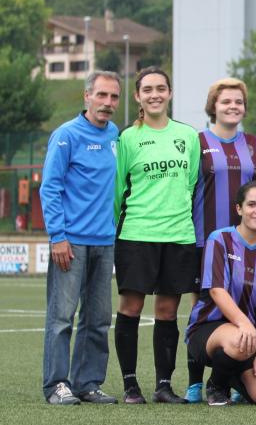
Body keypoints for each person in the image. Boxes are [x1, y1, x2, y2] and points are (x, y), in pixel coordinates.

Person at [113, 67, 200, 404]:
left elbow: (190, 184)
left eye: (160, 88)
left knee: (166, 311)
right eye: (147, 89)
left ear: (170, 93)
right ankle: (130, 385)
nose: (154, 95)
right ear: (137, 96)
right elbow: (118, 189)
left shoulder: (187, 136)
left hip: (178, 235)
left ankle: (164, 386)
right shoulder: (128, 138)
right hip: (137, 233)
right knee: (131, 308)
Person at [40, 71, 122, 405]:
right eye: (101, 95)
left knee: (98, 319)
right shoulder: (66, 135)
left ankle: (87, 383)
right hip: (70, 242)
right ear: (86, 96)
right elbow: (50, 188)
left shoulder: (115, 134)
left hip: (105, 241)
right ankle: (56, 385)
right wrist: (57, 236)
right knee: (62, 317)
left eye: (114, 97)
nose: (107, 103)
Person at [187, 77, 256, 403]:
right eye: (226, 101)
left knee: (242, 304)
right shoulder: (197, 142)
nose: (233, 106)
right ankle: (194, 381)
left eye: (238, 101)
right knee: (201, 307)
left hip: (244, 245)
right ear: (213, 107)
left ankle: (230, 376)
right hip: (204, 240)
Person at [185, 181, 256, 406]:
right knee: (238, 340)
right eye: (252, 204)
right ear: (239, 209)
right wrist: (244, 324)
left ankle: (234, 377)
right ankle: (216, 386)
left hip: (248, 339)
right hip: (208, 328)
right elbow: (216, 290)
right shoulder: (219, 239)